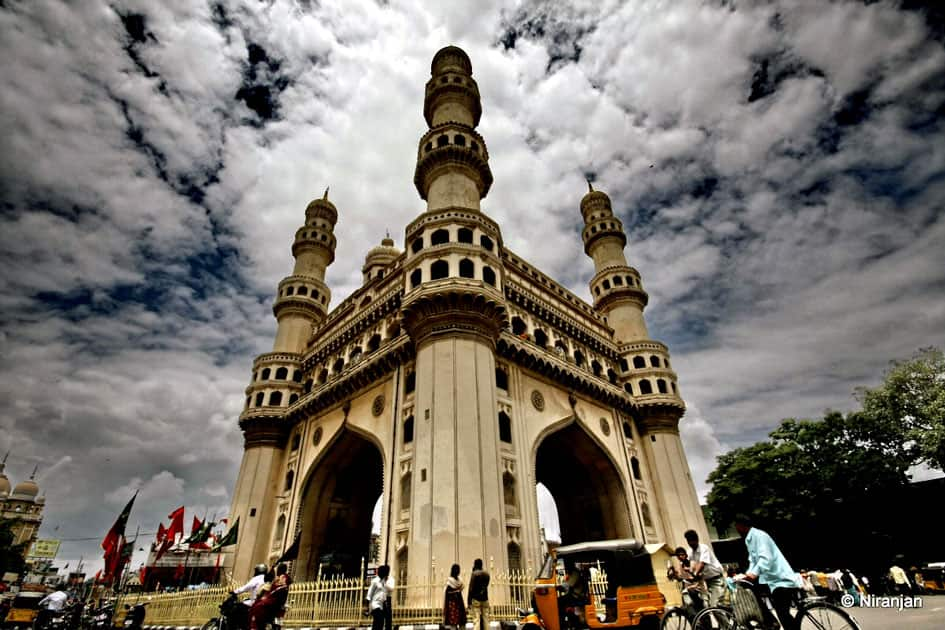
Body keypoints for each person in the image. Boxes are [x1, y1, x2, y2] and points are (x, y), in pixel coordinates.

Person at [734, 515, 801, 630]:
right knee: (749, 589)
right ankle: (769, 622)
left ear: (741, 526)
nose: (736, 529)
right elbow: (753, 561)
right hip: (771, 580)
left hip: (781, 579)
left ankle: (772, 623)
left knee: (783, 614)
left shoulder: (759, 536)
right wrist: (747, 575)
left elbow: (766, 559)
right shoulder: (749, 539)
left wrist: (753, 574)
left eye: (737, 527)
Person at [684, 529, 725, 607]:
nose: (690, 543)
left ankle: (727, 617)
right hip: (705, 581)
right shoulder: (690, 552)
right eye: (688, 541)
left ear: (697, 540)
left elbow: (702, 564)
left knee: (715, 606)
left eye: (692, 540)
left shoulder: (704, 548)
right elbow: (690, 565)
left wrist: (695, 574)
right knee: (703, 605)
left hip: (716, 579)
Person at [249, 562, 291, 630]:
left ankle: (255, 626)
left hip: (276, 598)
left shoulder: (282, 577)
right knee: (257, 603)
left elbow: (276, 587)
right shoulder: (280, 577)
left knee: (258, 605)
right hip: (275, 597)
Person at [667, 547, 705, 615]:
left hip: (697, 589)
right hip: (688, 590)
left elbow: (699, 576)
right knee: (688, 611)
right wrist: (674, 575)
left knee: (700, 610)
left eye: (682, 554)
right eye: (678, 556)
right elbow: (681, 578)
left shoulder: (693, 563)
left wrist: (690, 572)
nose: (680, 557)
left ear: (686, 555)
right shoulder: (681, 565)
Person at [230, 563, 269, 628]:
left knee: (237, 608)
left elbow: (246, 587)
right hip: (263, 602)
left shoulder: (257, 578)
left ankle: (239, 625)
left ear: (258, 570)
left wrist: (235, 591)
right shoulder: (267, 578)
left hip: (255, 602)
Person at [367, 565, 393, 630]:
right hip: (375, 605)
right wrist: (368, 608)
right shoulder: (375, 581)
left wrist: (385, 603)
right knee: (379, 621)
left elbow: (383, 594)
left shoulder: (383, 582)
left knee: (379, 623)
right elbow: (369, 595)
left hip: (381, 605)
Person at [467, 558, 490, 630]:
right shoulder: (487, 574)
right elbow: (486, 586)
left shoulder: (474, 574)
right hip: (485, 598)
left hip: (476, 599)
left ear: (475, 564)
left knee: (476, 619)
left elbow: (471, 588)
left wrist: (469, 601)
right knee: (486, 618)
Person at [443, 563, 467, 630]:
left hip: (453, 603)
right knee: (458, 621)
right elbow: (461, 588)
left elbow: (447, 592)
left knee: (454, 621)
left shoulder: (451, 581)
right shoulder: (456, 581)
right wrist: (457, 591)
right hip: (456, 602)